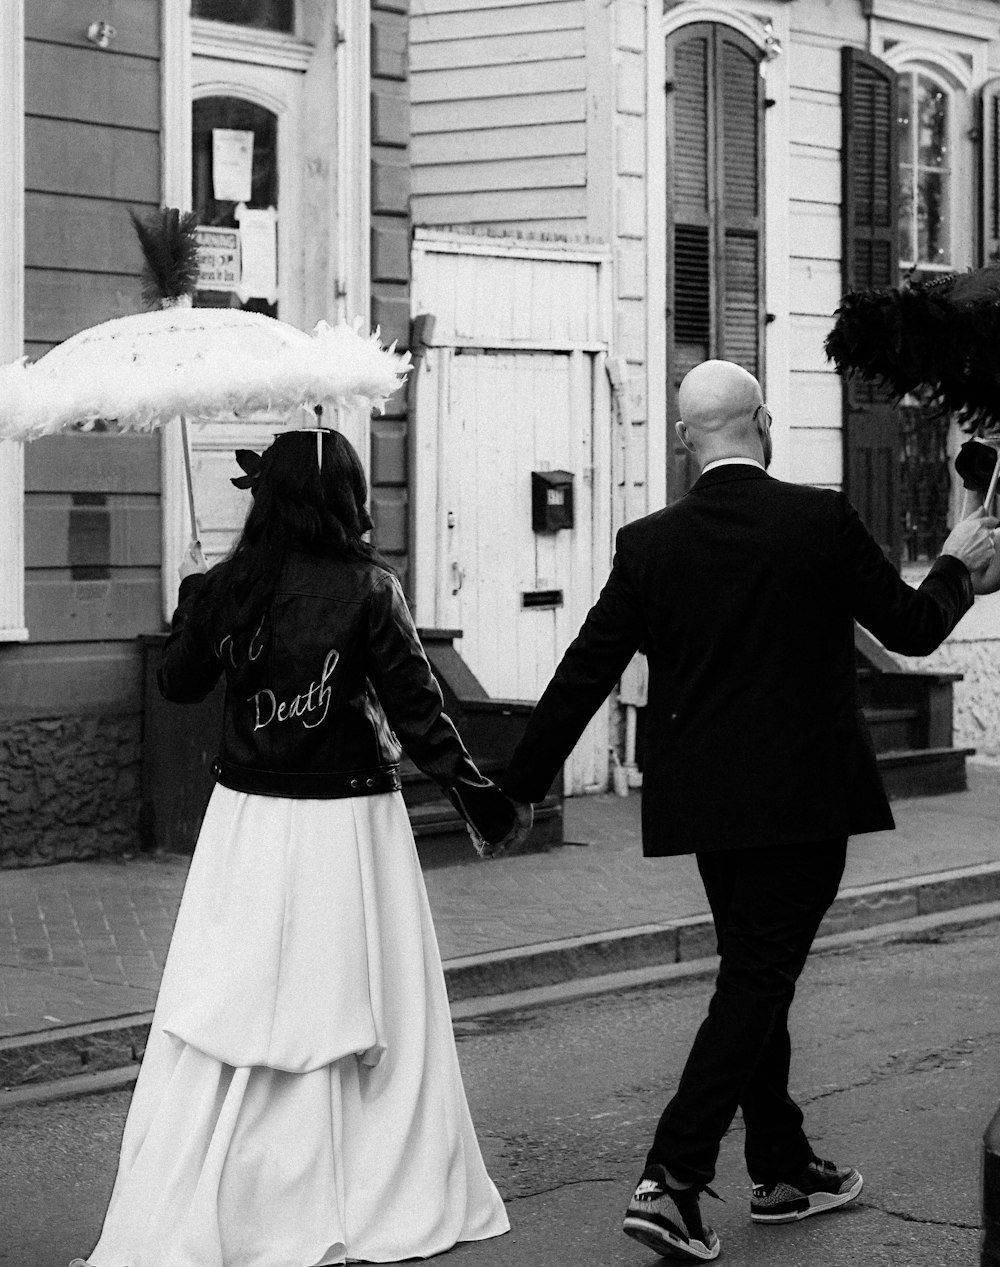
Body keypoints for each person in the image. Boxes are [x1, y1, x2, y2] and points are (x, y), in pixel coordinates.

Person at [499, 360, 999, 1263]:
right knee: (759, 977)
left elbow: (583, 673)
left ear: (686, 440)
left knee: (753, 969)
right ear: (764, 421)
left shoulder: (649, 543)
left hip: (706, 810)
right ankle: (672, 1180)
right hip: (805, 800)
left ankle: (779, 1164)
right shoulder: (818, 518)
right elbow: (913, 627)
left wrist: (514, 789)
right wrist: (958, 563)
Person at [75, 427, 518, 1267]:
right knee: (354, 996)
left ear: (266, 496)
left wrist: (194, 606)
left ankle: (236, 1194)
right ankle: (358, 1184)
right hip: (347, 825)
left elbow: (178, 684)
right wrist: (482, 802)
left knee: (238, 997)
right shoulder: (369, 588)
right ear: (347, 498)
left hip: (248, 822)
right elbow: (421, 716)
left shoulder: (232, 586)